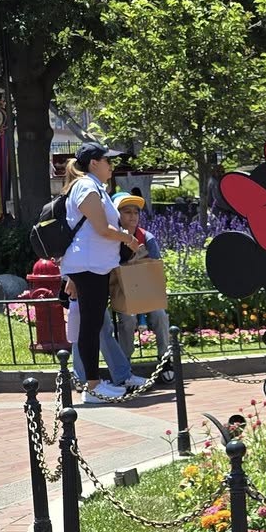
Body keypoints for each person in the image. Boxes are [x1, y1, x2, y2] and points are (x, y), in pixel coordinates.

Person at [59, 144, 142, 402]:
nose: (111, 165)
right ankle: (92, 386)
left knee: (92, 324)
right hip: (89, 265)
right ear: (94, 163)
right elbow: (102, 228)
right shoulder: (86, 186)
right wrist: (128, 239)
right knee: (90, 325)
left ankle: (93, 383)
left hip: (94, 265)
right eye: (108, 160)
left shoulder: (93, 186)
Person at [111, 194, 172, 368]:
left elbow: (156, 267)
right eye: (127, 212)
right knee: (128, 319)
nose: (133, 216)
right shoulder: (111, 238)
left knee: (160, 315)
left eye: (136, 212)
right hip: (123, 292)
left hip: (146, 289)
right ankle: (125, 363)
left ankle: (165, 359)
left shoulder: (147, 237)